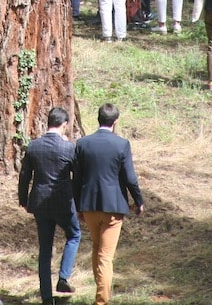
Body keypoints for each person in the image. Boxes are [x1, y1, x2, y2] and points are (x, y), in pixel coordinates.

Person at [73, 103, 144, 305]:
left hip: (89, 206)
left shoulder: (83, 143)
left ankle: (100, 290)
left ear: (98, 118)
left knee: (97, 248)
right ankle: (102, 301)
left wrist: (78, 205)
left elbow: (76, 178)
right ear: (116, 121)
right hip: (113, 207)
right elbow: (130, 178)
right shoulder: (121, 144)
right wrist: (138, 201)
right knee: (105, 255)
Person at [18, 107, 81, 305]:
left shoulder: (34, 146)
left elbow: (24, 176)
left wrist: (24, 199)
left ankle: (46, 297)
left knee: (45, 249)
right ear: (64, 125)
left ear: (48, 123)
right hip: (63, 202)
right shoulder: (69, 148)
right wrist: (78, 203)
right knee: (74, 235)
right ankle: (63, 277)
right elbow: (78, 178)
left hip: (40, 203)